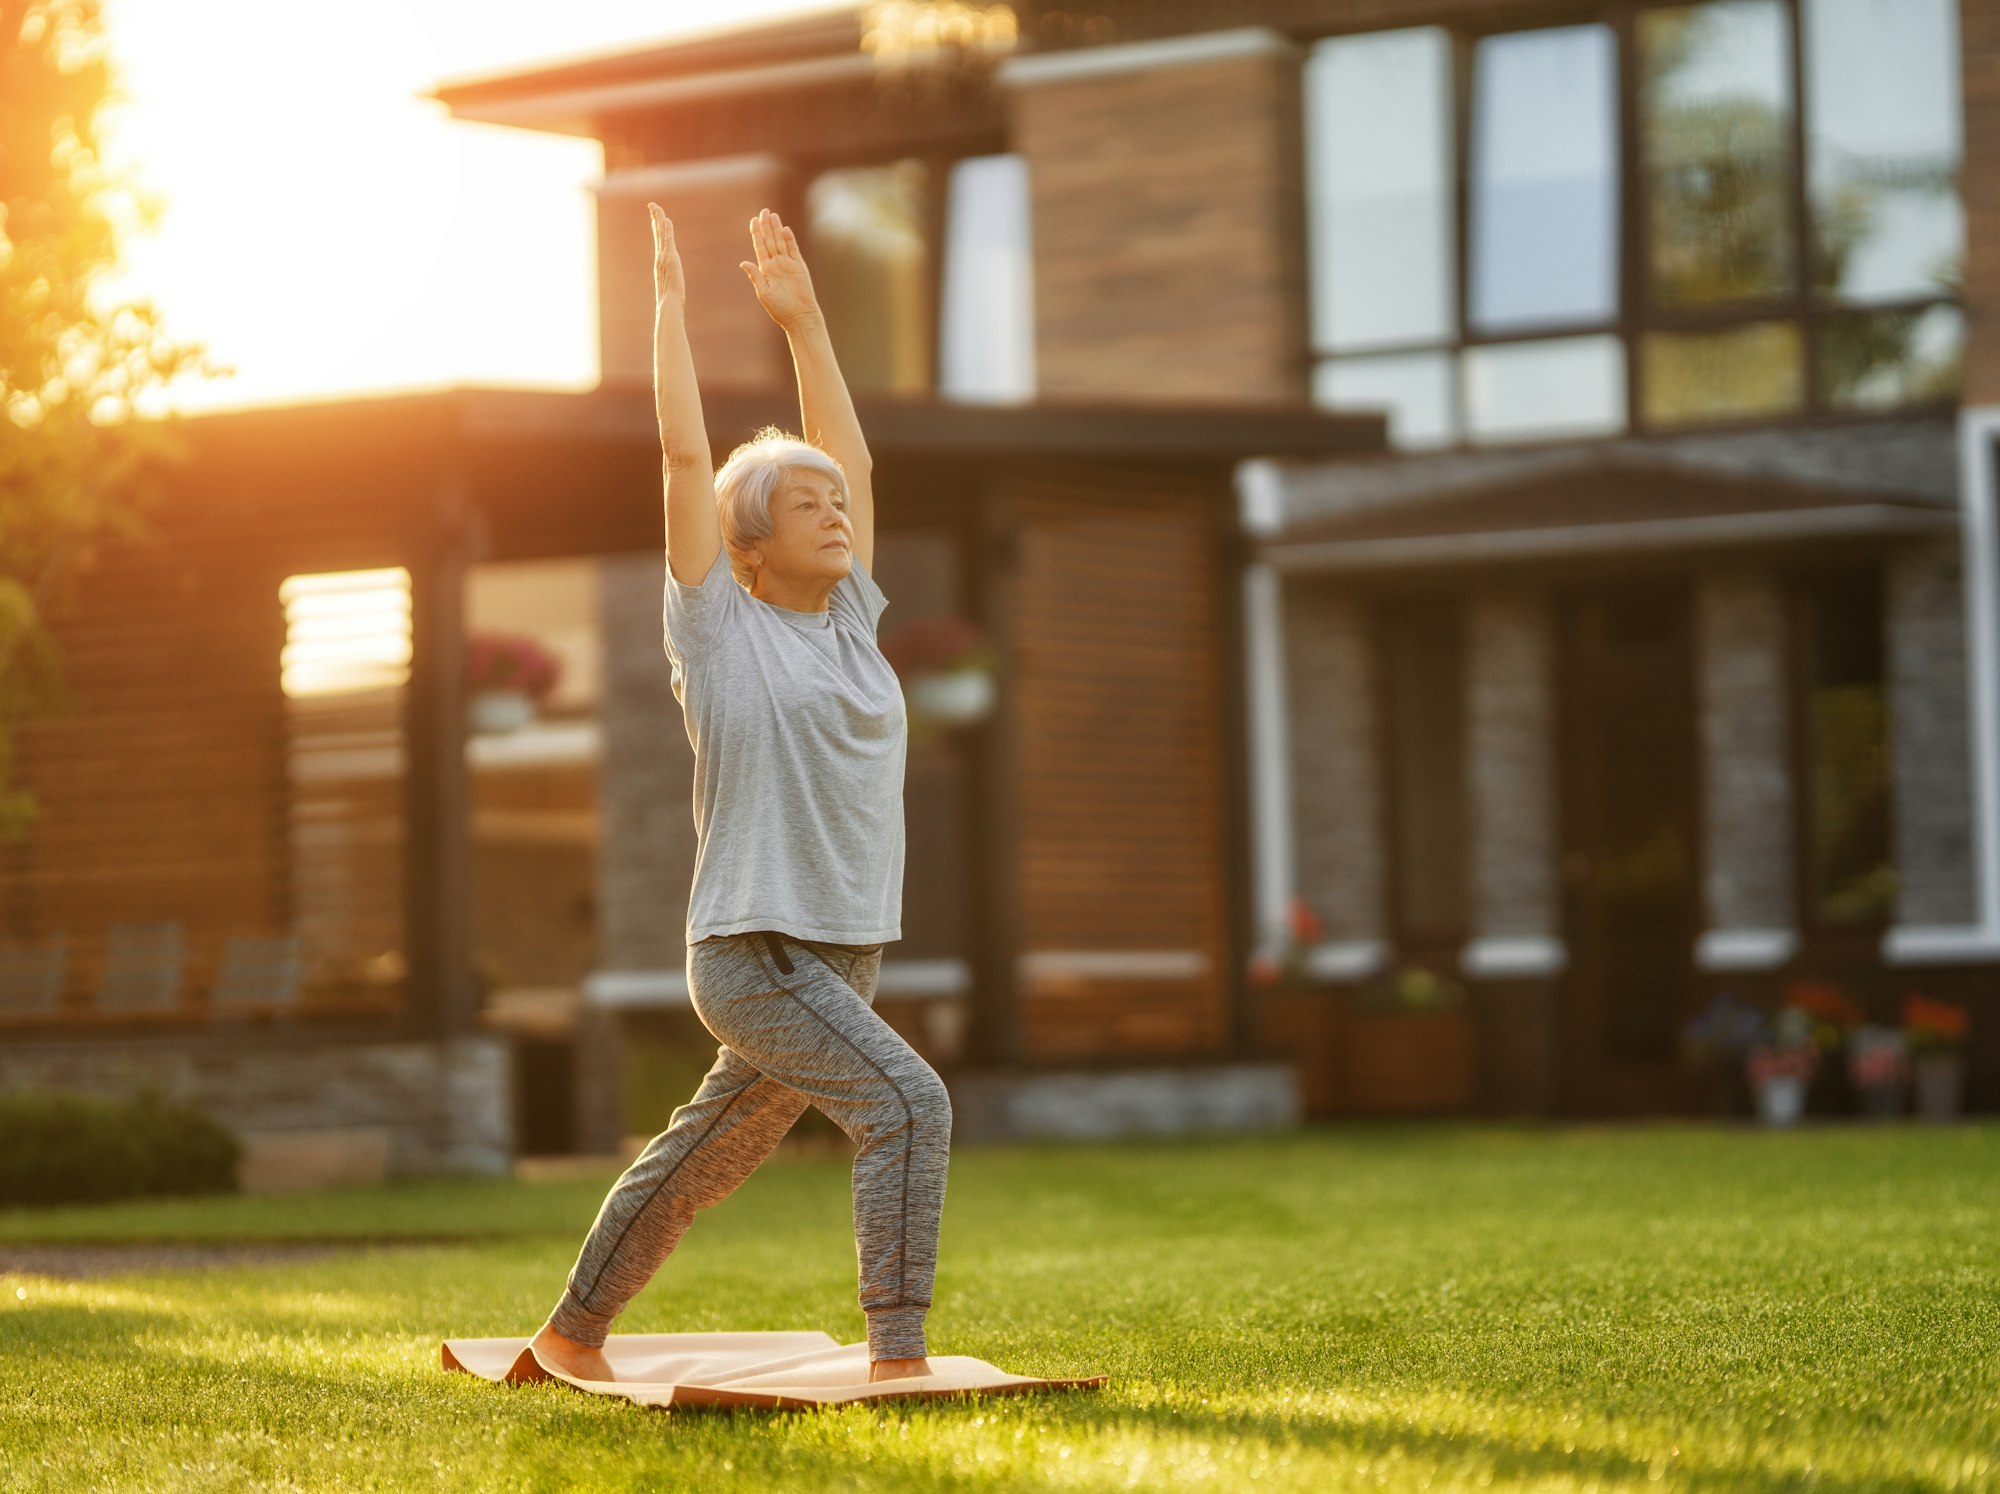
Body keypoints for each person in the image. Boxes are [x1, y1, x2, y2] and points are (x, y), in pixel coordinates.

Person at [526, 205, 950, 1386]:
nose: (835, 512)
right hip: (757, 948)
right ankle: (899, 1355)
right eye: (803, 504)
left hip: (843, 950)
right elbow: (677, 461)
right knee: (908, 1106)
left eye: (837, 505)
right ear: (749, 544)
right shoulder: (719, 630)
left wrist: (809, 324)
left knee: (708, 1153)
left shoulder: (855, 627)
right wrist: (668, 310)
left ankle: (571, 1333)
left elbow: (853, 461)